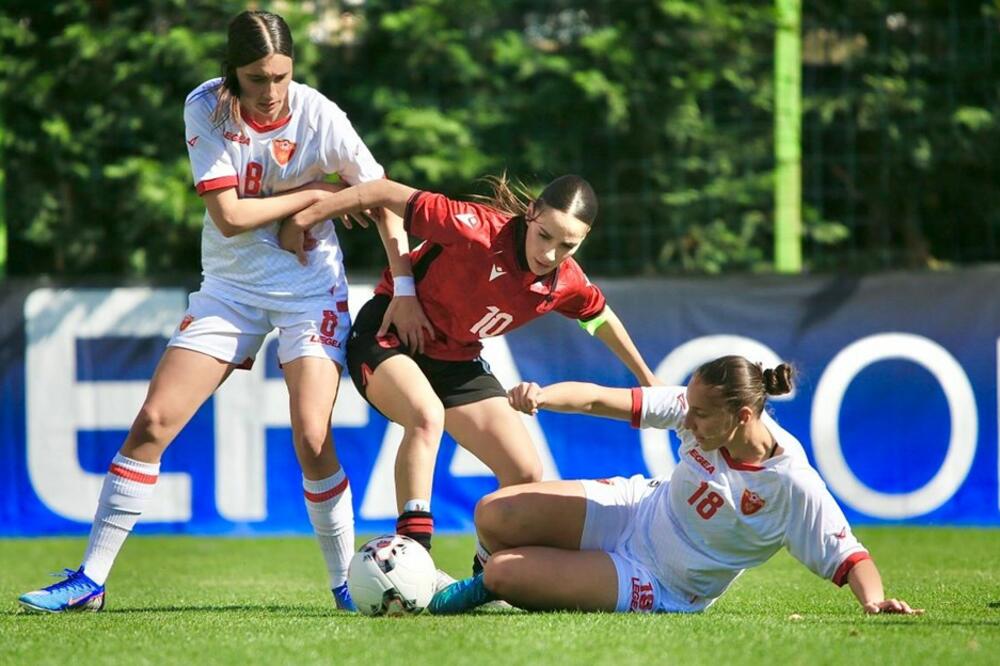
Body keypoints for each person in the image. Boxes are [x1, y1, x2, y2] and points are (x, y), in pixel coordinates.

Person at [18, 9, 422, 613]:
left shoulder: (320, 115)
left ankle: (344, 588)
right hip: (229, 292)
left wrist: (406, 288)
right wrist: (315, 197)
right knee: (154, 422)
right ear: (230, 74)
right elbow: (228, 218)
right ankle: (90, 581)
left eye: (281, 76)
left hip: (311, 295)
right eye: (257, 78)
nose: (271, 92)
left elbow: (386, 199)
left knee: (313, 437)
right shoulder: (205, 106)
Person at [278, 173, 659, 571]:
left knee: (525, 470)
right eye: (545, 236)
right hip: (389, 336)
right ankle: (413, 558)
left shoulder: (566, 282)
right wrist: (307, 218)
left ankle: (487, 574)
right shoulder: (474, 228)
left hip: (456, 358)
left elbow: (599, 318)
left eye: (567, 245)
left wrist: (648, 380)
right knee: (426, 417)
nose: (549, 254)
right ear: (531, 214)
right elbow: (383, 192)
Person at [428, 355, 924, 616]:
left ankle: (463, 592)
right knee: (494, 513)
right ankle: (495, 576)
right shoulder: (697, 409)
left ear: (743, 416)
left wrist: (874, 602)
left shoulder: (792, 483)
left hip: (659, 581)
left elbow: (849, 556)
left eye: (701, 414)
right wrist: (542, 396)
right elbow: (601, 400)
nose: (689, 418)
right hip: (635, 509)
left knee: (504, 574)